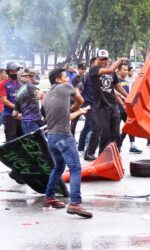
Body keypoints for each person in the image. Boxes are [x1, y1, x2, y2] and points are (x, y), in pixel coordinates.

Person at [42, 68, 92, 218]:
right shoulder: (65, 88)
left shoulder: (47, 95)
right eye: (65, 77)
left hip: (51, 138)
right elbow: (81, 101)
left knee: (58, 167)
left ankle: (49, 197)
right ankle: (75, 203)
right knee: (76, 168)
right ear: (58, 80)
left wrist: (76, 111)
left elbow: (66, 117)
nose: (68, 80)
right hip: (63, 137)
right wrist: (78, 109)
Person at [89, 49, 128, 154]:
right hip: (101, 106)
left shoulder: (111, 73)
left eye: (105, 59)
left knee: (116, 135)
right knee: (105, 134)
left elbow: (117, 86)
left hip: (113, 105)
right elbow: (110, 70)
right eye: (101, 59)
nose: (104, 61)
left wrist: (128, 96)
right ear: (97, 59)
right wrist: (119, 60)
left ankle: (116, 156)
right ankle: (102, 157)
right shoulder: (93, 70)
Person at [0, 62, 24, 184]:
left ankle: (16, 172)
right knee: (12, 145)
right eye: (15, 71)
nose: (17, 73)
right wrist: (16, 109)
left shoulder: (20, 83)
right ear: (9, 72)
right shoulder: (3, 84)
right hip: (9, 117)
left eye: (18, 70)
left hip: (21, 117)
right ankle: (16, 172)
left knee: (23, 143)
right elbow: (4, 100)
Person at [118, 63, 142, 154]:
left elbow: (135, 87)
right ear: (119, 70)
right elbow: (117, 94)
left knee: (130, 127)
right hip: (118, 109)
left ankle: (132, 146)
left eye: (126, 70)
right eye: (123, 70)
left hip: (127, 109)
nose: (125, 71)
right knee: (116, 130)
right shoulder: (116, 81)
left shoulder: (129, 80)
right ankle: (116, 147)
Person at [13, 68, 44, 133]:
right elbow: (40, 95)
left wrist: (24, 116)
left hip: (25, 123)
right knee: (40, 142)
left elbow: (14, 114)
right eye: (34, 75)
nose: (35, 77)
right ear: (28, 77)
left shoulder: (19, 91)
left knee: (30, 143)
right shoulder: (31, 87)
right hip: (34, 123)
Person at [70, 63, 87, 138]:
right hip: (77, 102)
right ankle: (72, 137)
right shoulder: (75, 79)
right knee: (74, 121)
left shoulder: (86, 78)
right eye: (82, 69)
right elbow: (76, 91)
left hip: (86, 101)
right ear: (78, 69)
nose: (83, 70)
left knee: (90, 120)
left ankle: (85, 137)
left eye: (84, 69)